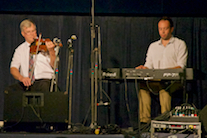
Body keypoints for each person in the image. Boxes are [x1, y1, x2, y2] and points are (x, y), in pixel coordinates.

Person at [135, 16, 188, 124]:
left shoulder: (180, 44)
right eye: (160, 29)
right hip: (155, 81)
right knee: (143, 86)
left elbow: (181, 67)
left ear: (171, 29)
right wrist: (143, 68)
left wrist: (163, 73)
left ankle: (165, 122)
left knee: (165, 88)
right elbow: (148, 65)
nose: (163, 32)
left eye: (165, 28)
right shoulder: (153, 46)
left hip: (174, 82)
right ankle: (145, 122)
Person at [8, 19, 56, 92]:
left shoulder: (44, 44)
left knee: (44, 87)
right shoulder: (20, 49)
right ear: (23, 34)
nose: (32, 34)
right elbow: (13, 68)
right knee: (10, 90)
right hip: (27, 82)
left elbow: (54, 65)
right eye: (28, 32)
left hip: (44, 81)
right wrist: (22, 78)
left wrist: (51, 51)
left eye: (33, 31)